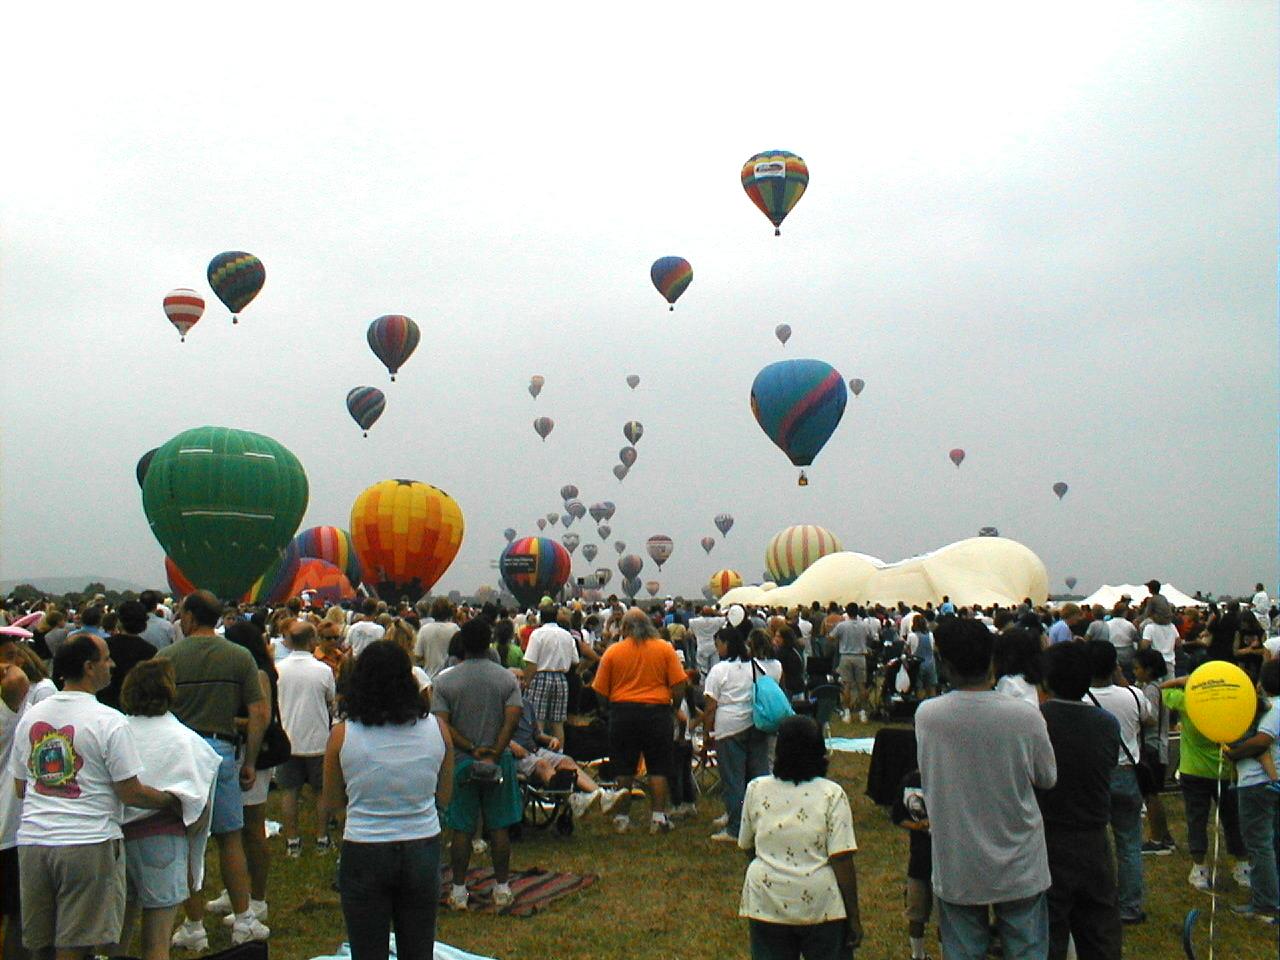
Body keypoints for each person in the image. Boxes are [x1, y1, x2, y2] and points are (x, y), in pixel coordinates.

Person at [11, 635, 180, 960]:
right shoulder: (108, 720)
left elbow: (21, 787)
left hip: (34, 841)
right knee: (76, 944)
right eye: (106, 659)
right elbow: (130, 791)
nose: (112, 665)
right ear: (89, 667)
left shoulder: (31, 717)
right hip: (87, 841)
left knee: (41, 943)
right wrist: (170, 800)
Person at [915, 618, 1056, 960]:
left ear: (946, 666)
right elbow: (1047, 777)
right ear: (991, 661)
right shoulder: (1025, 716)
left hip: (958, 856)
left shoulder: (928, 715)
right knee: (1027, 949)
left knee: (963, 949)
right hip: (1020, 855)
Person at [321, 641, 454, 960]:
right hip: (421, 844)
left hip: (365, 845)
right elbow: (444, 794)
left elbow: (333, 800)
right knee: (418, 948)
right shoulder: (438, 729)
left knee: (367, 950)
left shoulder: (342, 735)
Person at [157, 591, 269, 949]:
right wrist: (250, 760)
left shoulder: (167, 658)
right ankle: (244, 919)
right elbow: (259, 712)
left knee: (188, 842)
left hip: (182, 754)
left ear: (190, 617)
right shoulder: (239, 656)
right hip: (222, 750)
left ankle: (194, 926)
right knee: (231, 838)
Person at [115, 660, 222, 960]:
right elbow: (199, 808)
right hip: (163, 840)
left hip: (114, 840)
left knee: (114, 940)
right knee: (156, 943)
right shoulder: (187, 741)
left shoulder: (114, 733)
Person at [739, 716, 861, 960]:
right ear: (819, 751)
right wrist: (853, 916)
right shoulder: (832, 794)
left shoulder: (756, 788)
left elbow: (747, 844)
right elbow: (841, 858)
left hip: (766, 901)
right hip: (820, 905)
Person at [430, 618, 522, 910]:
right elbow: (512, 718)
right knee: (498, 827)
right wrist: (495, 751)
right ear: (488, 643)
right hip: (499, 761)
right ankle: (502, 887)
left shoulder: (444, 681)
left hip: (461, 761)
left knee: (462, 828)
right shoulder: (506, 679)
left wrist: (470, 747)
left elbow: (441, 724)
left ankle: (458, 890)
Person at [1039, 643, 1122, 959]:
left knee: (1050, 929)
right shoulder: (1107, 723)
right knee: (1100, 928)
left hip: (1049, 835)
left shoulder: (1038, 720)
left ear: (1046, 679)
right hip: (1094, 834)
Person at [592, 608, 688, 836]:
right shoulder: (664, 649)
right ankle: (658, 817)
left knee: (624, 766)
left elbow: (599, 689)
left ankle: (622, 818)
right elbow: (679, 683)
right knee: (658, 766)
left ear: (624, 628)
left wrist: (607, 707)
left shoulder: (613, 652)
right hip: (657, 713)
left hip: (623, 713)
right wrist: (675, 706)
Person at [1161, 673, 1250, 892]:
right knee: (1233, 819)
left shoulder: (1187, 700)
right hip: (1226, 770)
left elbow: (1162, 689)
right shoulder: (1231, 701)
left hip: (1193, 770)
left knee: (1196, 819)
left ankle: (1200, 868)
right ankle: (1242, 865)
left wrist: (1182, 681)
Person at [1083, 640, 1150, 924]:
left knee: (1094, 843)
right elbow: (1148, 718)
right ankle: (1130, 905)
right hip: (1127, 774)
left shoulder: (1082, 700)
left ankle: (1096, 900)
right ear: (1115, 666)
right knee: (1129, 844)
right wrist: (1123, 681)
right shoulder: (1133, 695)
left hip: (1095, 776)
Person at [704, 626, 778, 844]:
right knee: (758, 777)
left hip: (729, 727)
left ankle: (736, 827)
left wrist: (708, 732)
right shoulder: (755, 666)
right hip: (755, 724)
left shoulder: (720, 670)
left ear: (726, 644)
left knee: (733, 779)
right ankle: (761, 821)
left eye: (718, 644)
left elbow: (711, 706)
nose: (717, 649)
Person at [1222, 658, 1280, 923]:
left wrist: (1234, 754)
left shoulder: (1272, 709)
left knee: (1258, 844)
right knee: (1271, 842)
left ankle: (1265, 903)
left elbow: (1261, 741)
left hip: (1257, 783)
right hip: (1269, 781)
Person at [276, 620, 336, 857]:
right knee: (321, 791)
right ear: (312, 641)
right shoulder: (323, 670)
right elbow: (331, 700)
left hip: (287, 739)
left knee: (289, 791)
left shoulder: (279, 669)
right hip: (317, 739)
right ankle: (322, 838)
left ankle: (292, 840)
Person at [1131, 649, 1175, 854]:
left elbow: (1152, 717)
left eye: (1137, 668)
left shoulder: (1150, 690)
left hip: (1152, 747)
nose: (1134, 671)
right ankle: (1164, 836)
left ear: (1148, 670)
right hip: (1155, 746)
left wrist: (1134, 713)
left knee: (1151, 796)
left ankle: (1157, 839)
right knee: (1153, 794)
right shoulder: (1153, 687)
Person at [890, 767, 933, 960]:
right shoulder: (910, 781)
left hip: (945, 861)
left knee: (946, 920)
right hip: (919, 860)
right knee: (915, 914)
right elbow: (897, 816)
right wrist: (916, 825)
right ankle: (918, 955)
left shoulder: (948, 776)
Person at [522, 605, 579, 744]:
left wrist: (527, 682)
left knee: (538, 720)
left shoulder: (537, 634)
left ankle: (539, 750)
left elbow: (531, 663)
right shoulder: (567, 635)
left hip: (541, 677)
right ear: (556, 618)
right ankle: (560, 751)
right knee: (557, 722)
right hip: (561, 679)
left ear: (541, 618)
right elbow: (575, 660)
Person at [99, 601, 157, 711]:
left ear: (119, 621)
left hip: (105, 705)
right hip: (136, 707)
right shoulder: (150, 651)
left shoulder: (104, 645)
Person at [830, 605, 870, 722]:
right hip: (860, 656)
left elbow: (831, 637)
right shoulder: (864, 625)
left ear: (847, 612)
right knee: (861, 685)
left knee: (846, 685)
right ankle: (863, 713)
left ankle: (847, 713)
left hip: (846, 656)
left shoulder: (842, 625)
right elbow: (871, 637)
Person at [414, 599, 458, 678]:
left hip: (430, 676)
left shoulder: (425, 629)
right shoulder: (455, 629)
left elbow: (418, 655)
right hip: (451, 676)